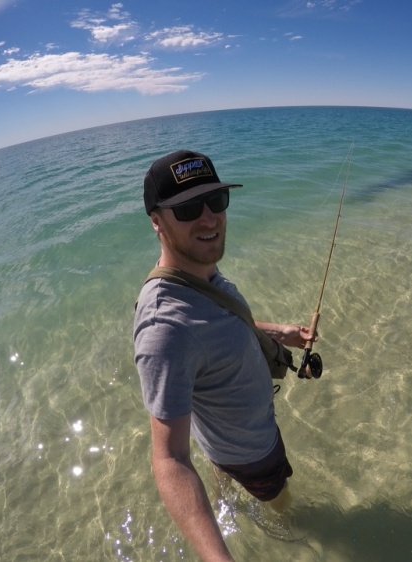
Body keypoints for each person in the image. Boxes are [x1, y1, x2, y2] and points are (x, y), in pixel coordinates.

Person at [133, 149, 315, 561]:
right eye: (188, 208)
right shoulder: (164, 327)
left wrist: (276, 332)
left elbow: (217, 328)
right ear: (157, 222)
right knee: (287, 512)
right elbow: (170, 459)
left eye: (216, 200)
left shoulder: (199, 273)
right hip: (255, 453)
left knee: (222, 477)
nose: (209, 217)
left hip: (223, 442)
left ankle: (225, 493)